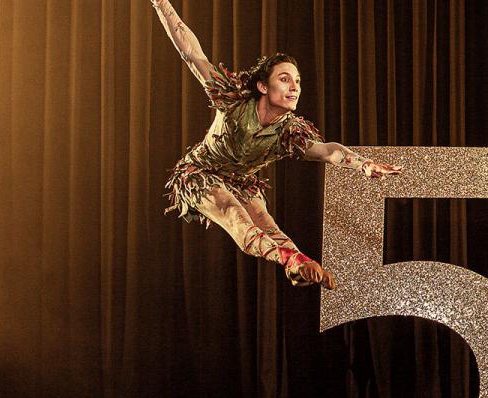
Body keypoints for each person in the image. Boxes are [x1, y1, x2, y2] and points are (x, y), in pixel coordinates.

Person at [151, 0, 401, 288]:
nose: (294, 87)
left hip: (240, 180)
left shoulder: (289, 134)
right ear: (262, 86)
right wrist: (162, 4)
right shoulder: (234, 102)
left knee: (268, 226)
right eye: (284, 79)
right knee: (238, 219)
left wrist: (363, 164)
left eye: (297, 81)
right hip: (200, 174)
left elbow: (328, 151)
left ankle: (298, 265)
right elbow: (192, 54)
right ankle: (291, 261)